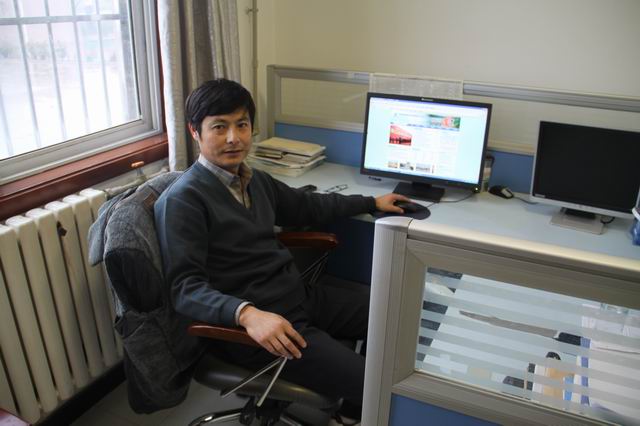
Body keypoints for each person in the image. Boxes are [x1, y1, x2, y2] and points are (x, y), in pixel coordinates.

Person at [154, 79, 408, 424]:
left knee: (399, 316)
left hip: (297, 297)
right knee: (378, 383)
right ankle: (363, 403)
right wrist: (247, 314)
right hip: (257, 330)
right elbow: (185, 289)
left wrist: (370, 202)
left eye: (242, 125)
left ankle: (352, 405)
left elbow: (308, 205)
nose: (233, 138)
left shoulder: (253, 179)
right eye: (219, 127)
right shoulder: (183, 201)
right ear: (195, 132)